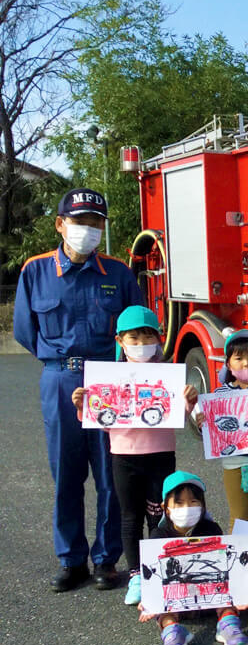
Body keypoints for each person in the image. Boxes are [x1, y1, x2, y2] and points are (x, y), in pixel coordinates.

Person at [13, 187, 142, 592]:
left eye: (95, 223)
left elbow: (137, 331)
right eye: (79, 221)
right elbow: (24, 331)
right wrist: (61, 364)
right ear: (60, 224)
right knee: (65, 474)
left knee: (110, 473)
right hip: (60, 379)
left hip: (110, 380)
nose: (87, 229)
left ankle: (106, 559)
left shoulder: (118, 274)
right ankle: (71, 559)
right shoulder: (35, 271)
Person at [70, 305, 198, 605]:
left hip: (161, 455)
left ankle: (159, 571)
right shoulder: (109, 377)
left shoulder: (169, 375)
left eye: (147, 337)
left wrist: (190, 400)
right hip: (123, 456)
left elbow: (183, 412)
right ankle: (137, 576)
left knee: (159, 515)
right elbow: (103, 420)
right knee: (130, 518)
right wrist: (83, 406)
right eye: (134, 339)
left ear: (158, 338)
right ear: (120, 340)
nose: (141, 345)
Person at [140, 471, 248, 645]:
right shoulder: (159, 535)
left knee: (227, 598)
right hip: (178, 600)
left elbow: (228, 565)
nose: (187, 508)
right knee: (164, 610)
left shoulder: (211, 530)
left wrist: (243, 588)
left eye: (193, 502)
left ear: (203, 505)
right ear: (166, 507)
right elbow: (153, 573)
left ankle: (228, 624)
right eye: (179, 503)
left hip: (211, 594)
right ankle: (173, 631)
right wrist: (149, 599)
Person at [196, 329, 248, 531]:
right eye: (239, 358)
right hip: (234, 464)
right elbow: (213, 430)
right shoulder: (220, 394)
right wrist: (204, 422)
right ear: (228, 364)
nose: (246, 364)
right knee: (239, 517)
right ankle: (239, 558)